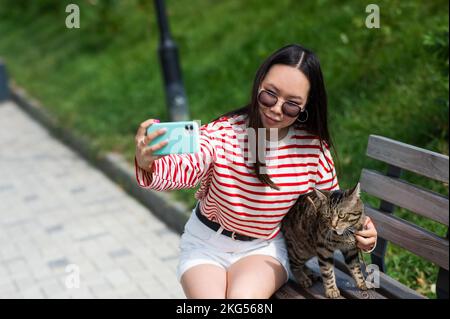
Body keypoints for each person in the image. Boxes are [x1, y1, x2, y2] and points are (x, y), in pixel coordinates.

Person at [134, 44, 378, 299]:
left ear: (305, 107)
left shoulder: (313, 150)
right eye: (270, 95)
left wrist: (365, 235)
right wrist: (148, 163)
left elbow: (332, 208)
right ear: (259, 84)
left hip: (263, 248)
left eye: (291, 105)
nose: (275, 109)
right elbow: (189, 165)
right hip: (205, 244)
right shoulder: (225, 132)